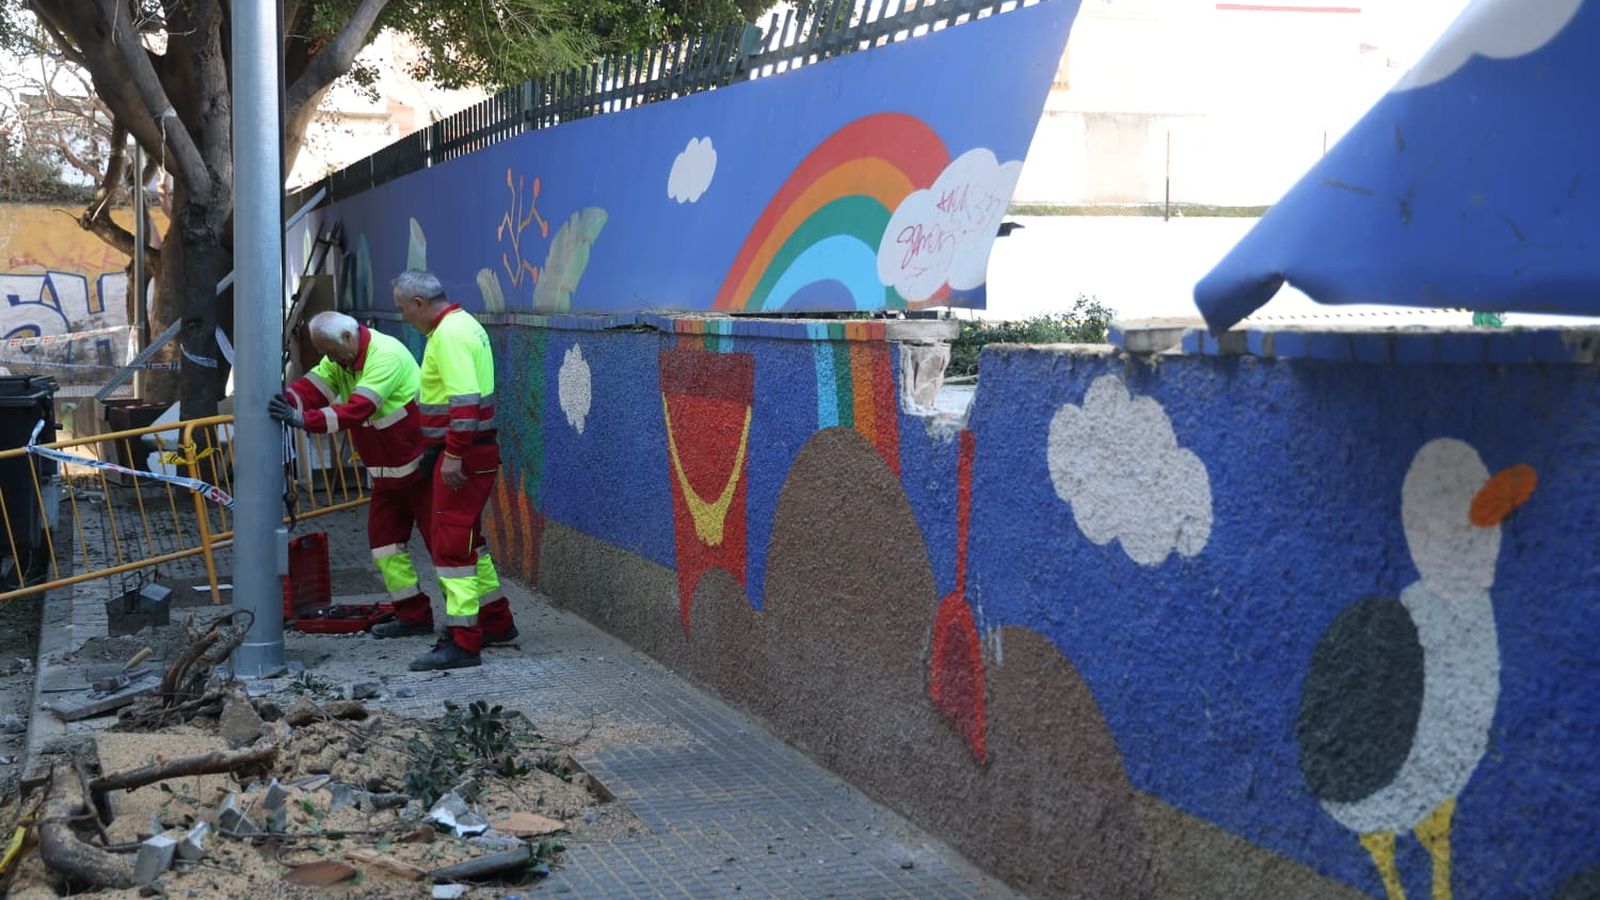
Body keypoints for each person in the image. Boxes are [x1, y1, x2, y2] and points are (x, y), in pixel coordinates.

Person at [269, 311, 441, 638]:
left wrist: (303, 420)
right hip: (390, 477)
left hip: (422, 471)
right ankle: (413, 615)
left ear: (348, 338)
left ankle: (471, 623)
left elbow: (358, 408)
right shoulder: (342, 358)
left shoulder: (385, 356)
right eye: (326, 355)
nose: (330, 360)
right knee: (385, 547)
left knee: (443, 550)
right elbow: (313, 387)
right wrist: (286, 400)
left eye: (332, 352)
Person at [391, 269, 519, 671]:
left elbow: (464, 403)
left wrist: (453, 455)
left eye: (402, 309)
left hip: (465, 456)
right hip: (468, 452)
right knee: (469, 542)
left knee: (450, 546)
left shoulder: (448, 336)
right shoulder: (464, 325)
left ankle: (463, 641)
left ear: (418, 303)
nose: (402, 317)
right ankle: (496, 621)